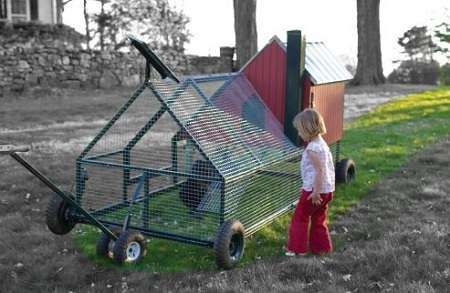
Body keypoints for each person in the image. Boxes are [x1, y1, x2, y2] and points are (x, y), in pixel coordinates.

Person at [285, 108, 335, 256]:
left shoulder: (312, 149)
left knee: (300, 218)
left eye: (300, 131)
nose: (299, 134)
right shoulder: (322, 144)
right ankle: (321, 248)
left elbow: (320, 171)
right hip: (327, 190)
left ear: (308, 129)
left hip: (314, 191)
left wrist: (315, 192)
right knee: (319, 219)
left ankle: (297, 249)